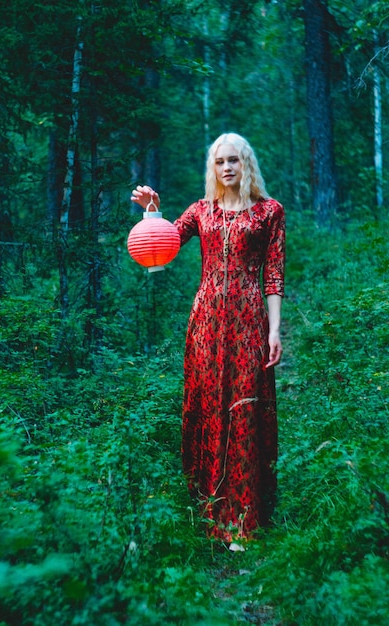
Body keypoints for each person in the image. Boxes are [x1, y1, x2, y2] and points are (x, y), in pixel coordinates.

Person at [131, 132, 285, 546]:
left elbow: (273, 274)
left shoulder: (270, 212)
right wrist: (153, 213)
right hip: (205, 325)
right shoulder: (202, 211)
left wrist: (274, 330)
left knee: (244, 410)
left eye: (234, 160)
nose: (227, 168)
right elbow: (165, 241)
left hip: (249, 322)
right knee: (208, 406)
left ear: (246, 163)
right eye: (220, 162)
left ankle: (245, 518)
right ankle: (206, 509)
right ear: (213, 169)